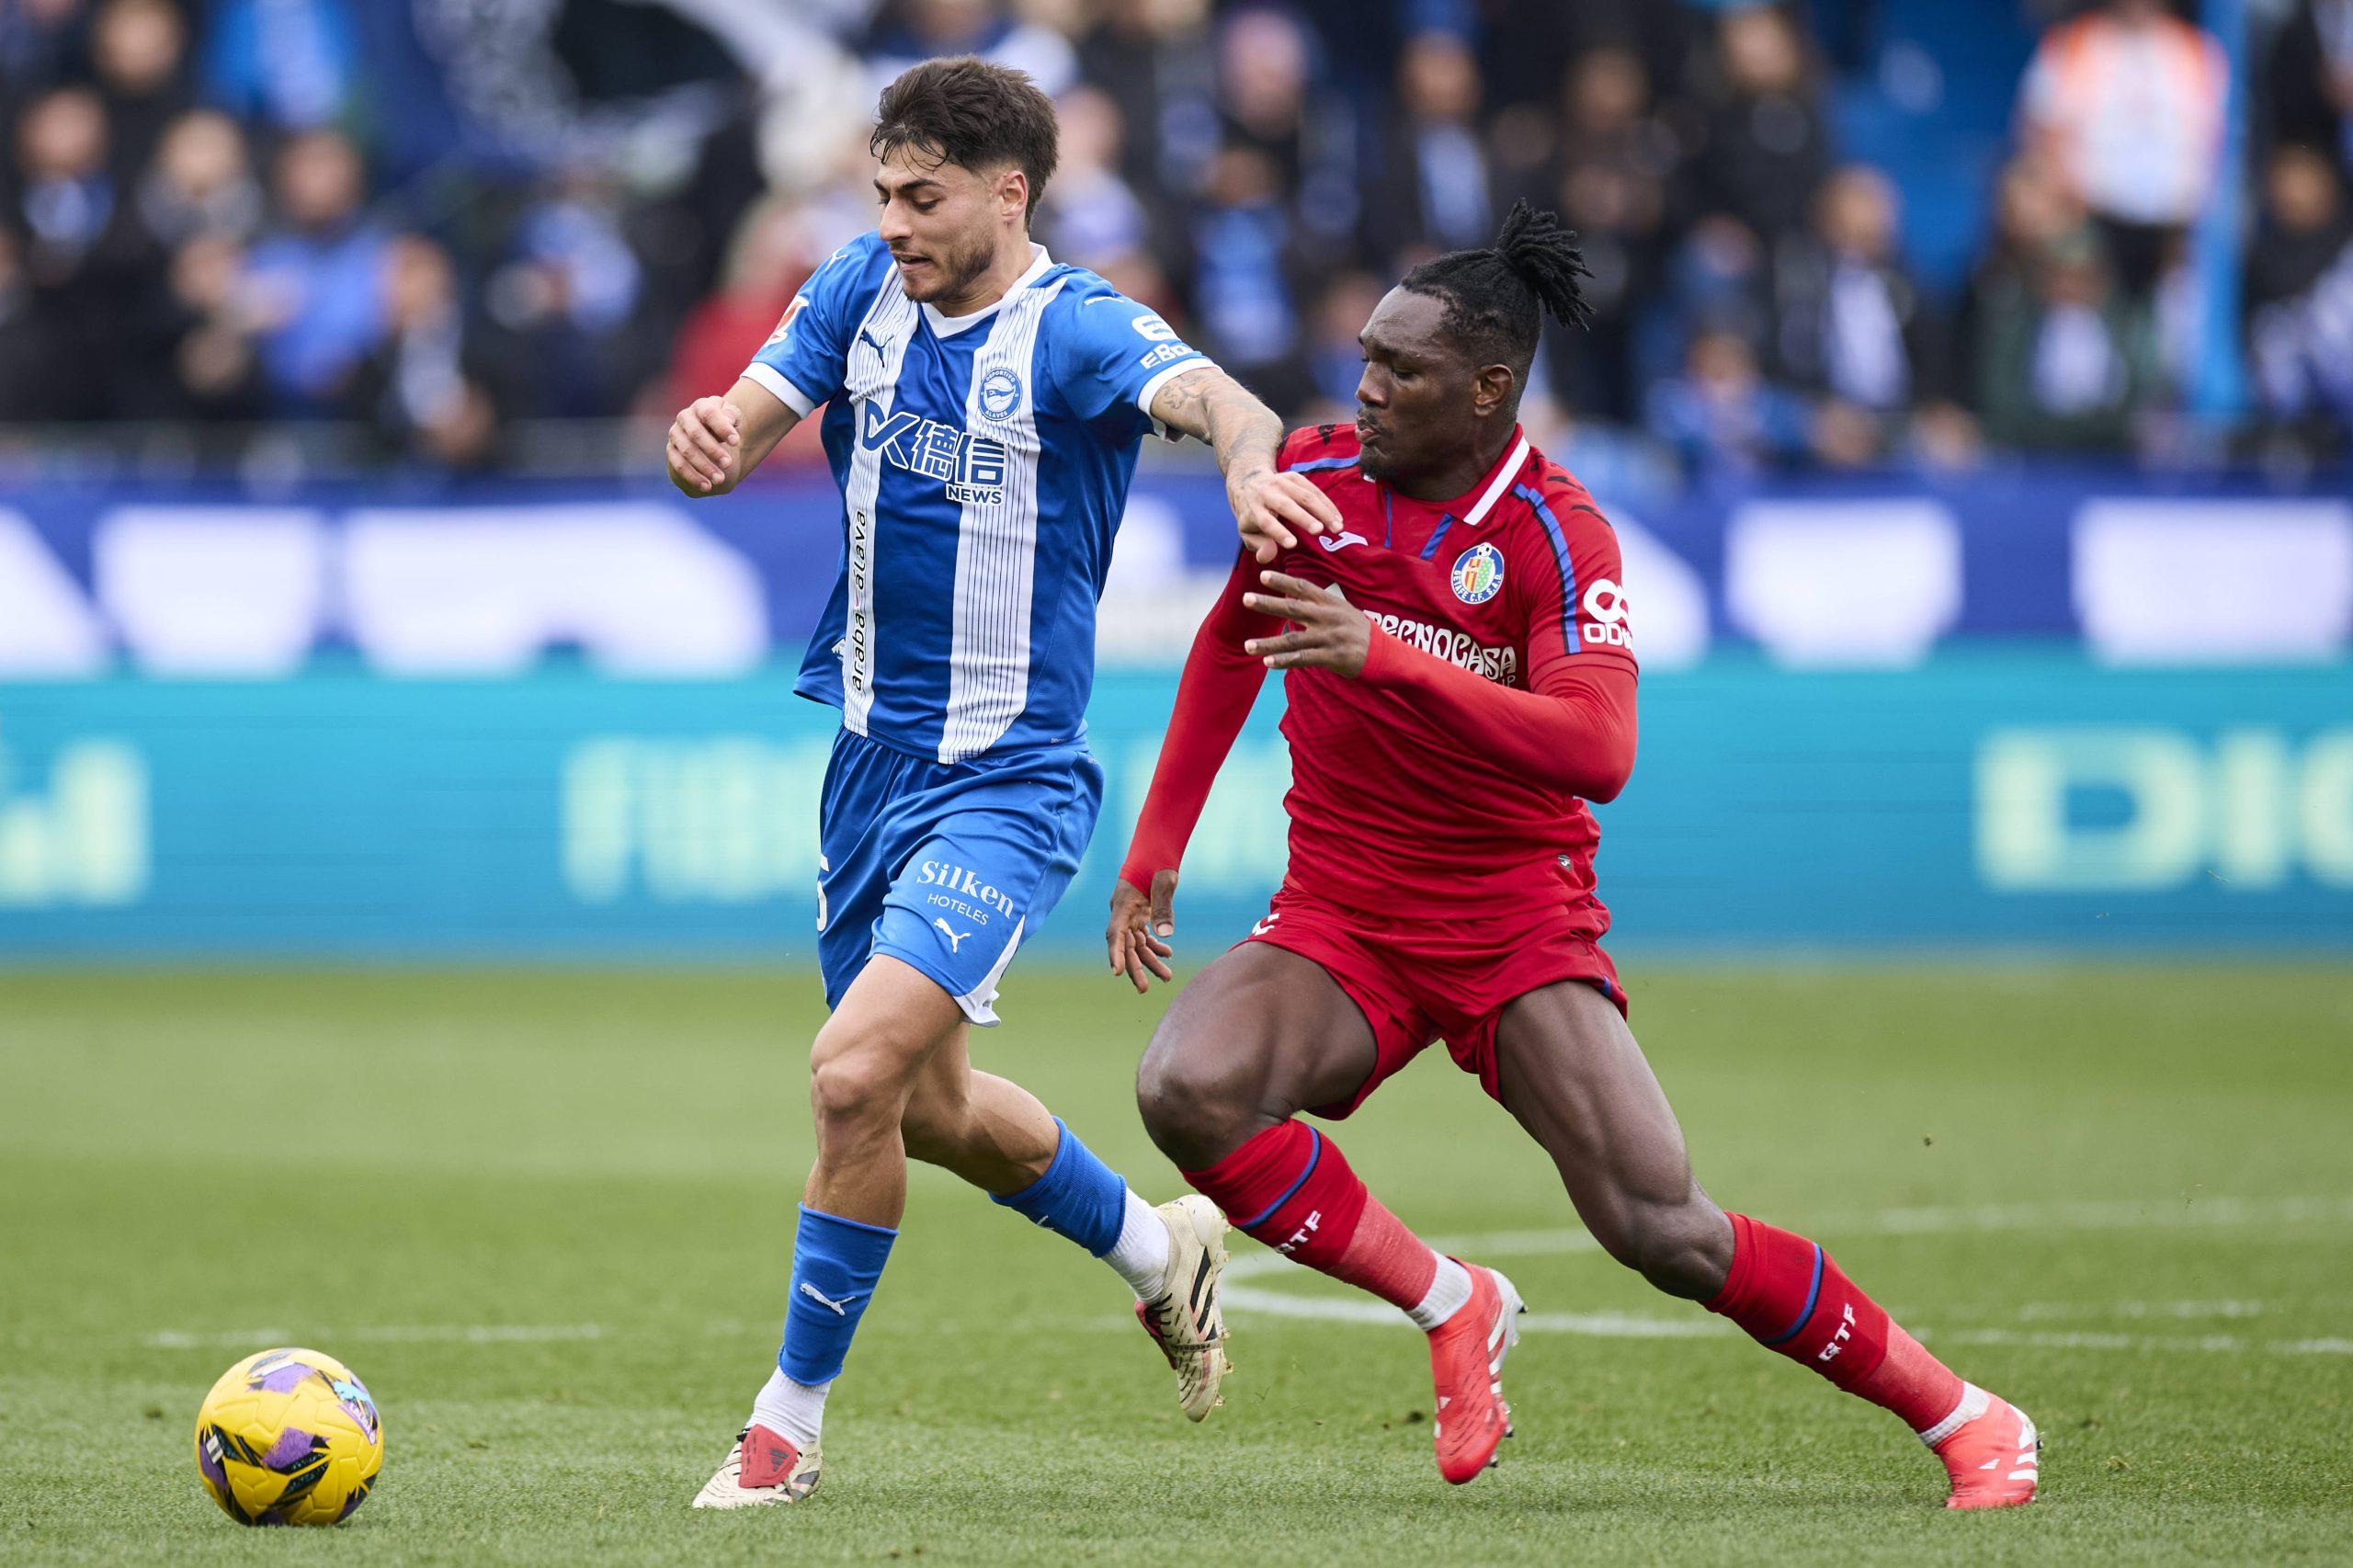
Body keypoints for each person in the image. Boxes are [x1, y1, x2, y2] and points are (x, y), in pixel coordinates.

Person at [1106, 202, 2041, 1507]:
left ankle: (1965, 1413)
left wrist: (1392, 655)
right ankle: (1454, 1300)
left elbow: (1598, 747)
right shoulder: (1319, 476)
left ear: (1490, 389)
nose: (1366, 389)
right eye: (1366, 357)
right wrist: (1156, 849)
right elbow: (1227, 643)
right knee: (1187, 1090)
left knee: (1663, 1228)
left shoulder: (1556, 534)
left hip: (1512, 926)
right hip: (1342, 916)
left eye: (1402, 370)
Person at [662, 56, 1341, 1510]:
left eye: (924, 196)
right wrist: (711, 440)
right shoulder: (854, 287)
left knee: (849, 1076)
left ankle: (786, 1428)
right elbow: (746, 421)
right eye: (883, 193)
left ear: (1008, 191)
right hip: (867, 766)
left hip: (1011, 778)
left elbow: (1225, 398)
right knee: (922, 1107)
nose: (895, 220)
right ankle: (1165, 1253)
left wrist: (1243, 467)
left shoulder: (1077, 329)